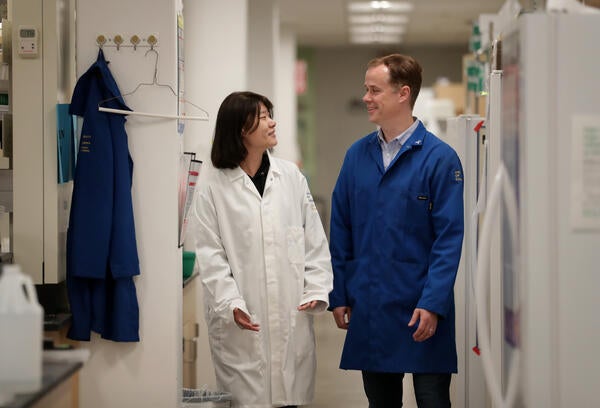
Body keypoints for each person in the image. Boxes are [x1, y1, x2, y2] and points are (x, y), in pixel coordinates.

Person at [328, 54, 464, 407]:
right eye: (366, 89)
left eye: (375, 90)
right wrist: (339, 292)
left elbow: (449, 239)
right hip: (372, 306)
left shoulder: (439, 158)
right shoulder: (357, 156)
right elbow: (341, 228)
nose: (366, 97)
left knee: (433, 400)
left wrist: (432, 303)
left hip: (422, 309)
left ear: (403, 94)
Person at [192, 91, 333, 408]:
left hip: (289, 317)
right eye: (265, 116)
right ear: (242, 128)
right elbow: (211, 256)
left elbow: (313, 241)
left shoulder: (291, 177)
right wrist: (231, 302)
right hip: (243, 326)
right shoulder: (213, 185)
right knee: (248, 399)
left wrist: (317, 287)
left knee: (289, 397)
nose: (273, 123)